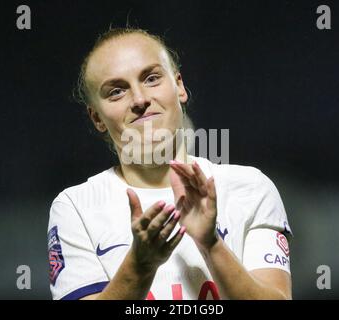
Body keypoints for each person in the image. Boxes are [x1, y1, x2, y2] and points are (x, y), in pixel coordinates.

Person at [47, 27, 293, 300]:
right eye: (116, 91)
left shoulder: (250, 187)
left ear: (179, 86)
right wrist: (140, 266)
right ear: (96, 118)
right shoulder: (75, 207)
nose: (139, 100)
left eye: (152, 78)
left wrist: (211, 244)